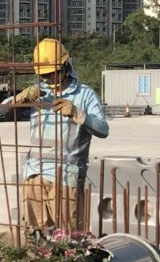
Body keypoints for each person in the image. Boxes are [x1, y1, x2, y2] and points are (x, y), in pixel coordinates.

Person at [10, 38, 108, 233]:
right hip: (34, 173)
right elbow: (0, 111)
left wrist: (77, 113)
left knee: (68, 236)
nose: (49, 80)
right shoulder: (39, 93)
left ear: (65, 67)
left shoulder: (84, 94)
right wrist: (20, 97)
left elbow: (103, 129)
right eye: (44, 76)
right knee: (36, 236)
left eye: (52, 74)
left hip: (65, 175)